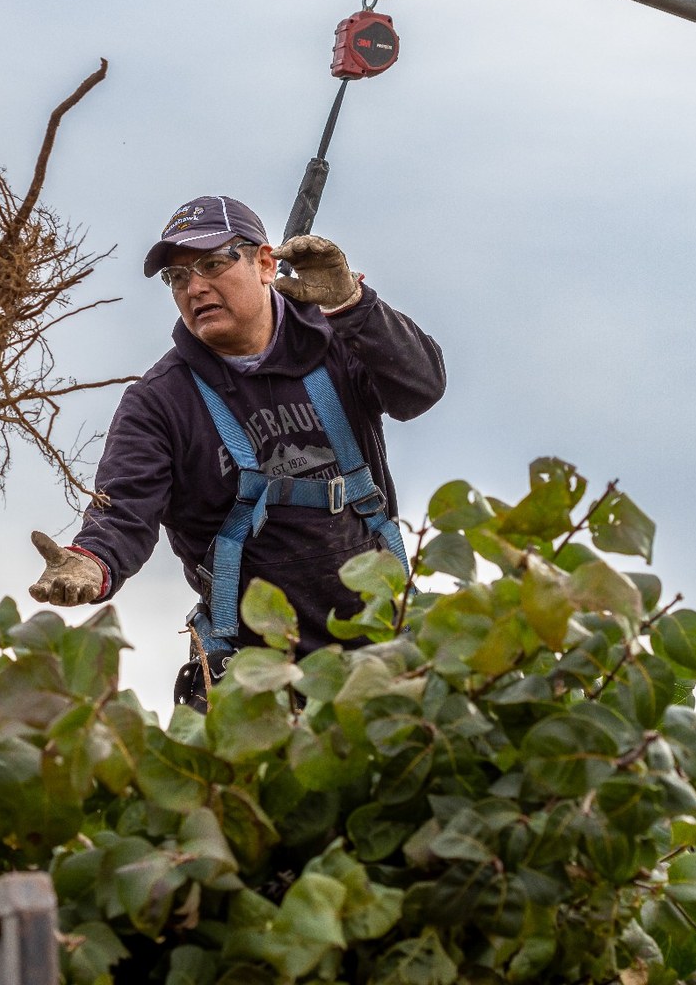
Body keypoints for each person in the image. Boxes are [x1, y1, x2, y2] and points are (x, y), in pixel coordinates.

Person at [27, 195, 445, 706]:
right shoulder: (158, 403)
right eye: (177, 277)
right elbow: (124, 513)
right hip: (252, 674)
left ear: (266, 263)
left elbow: (420, 388)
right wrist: (90, 562)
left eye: (212, 263)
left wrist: (354, 306)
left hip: (383, 653)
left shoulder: (338, 343)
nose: (194, 286)